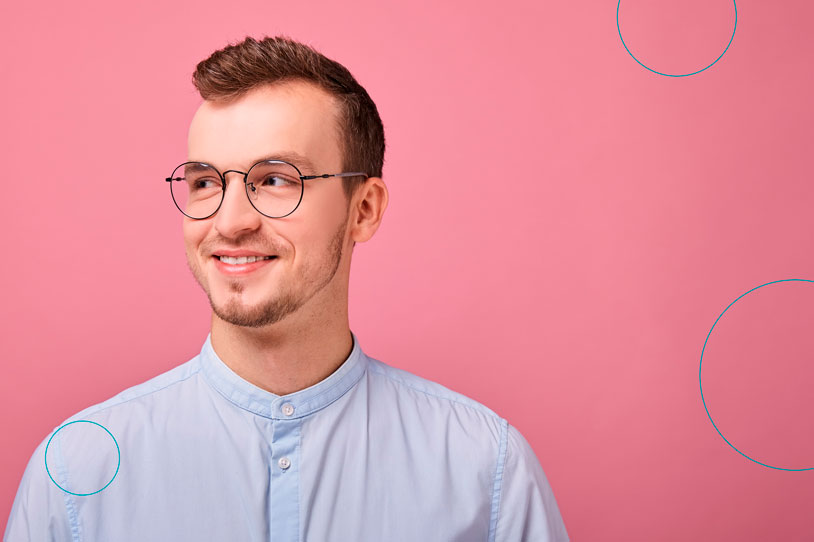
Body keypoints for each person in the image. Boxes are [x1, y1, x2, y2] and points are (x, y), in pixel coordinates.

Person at [4, 34, 569, 542]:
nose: (229, 221)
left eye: (274, 180)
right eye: (204, 182)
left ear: (364, 209)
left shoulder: (485, 471)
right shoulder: (76, 473)